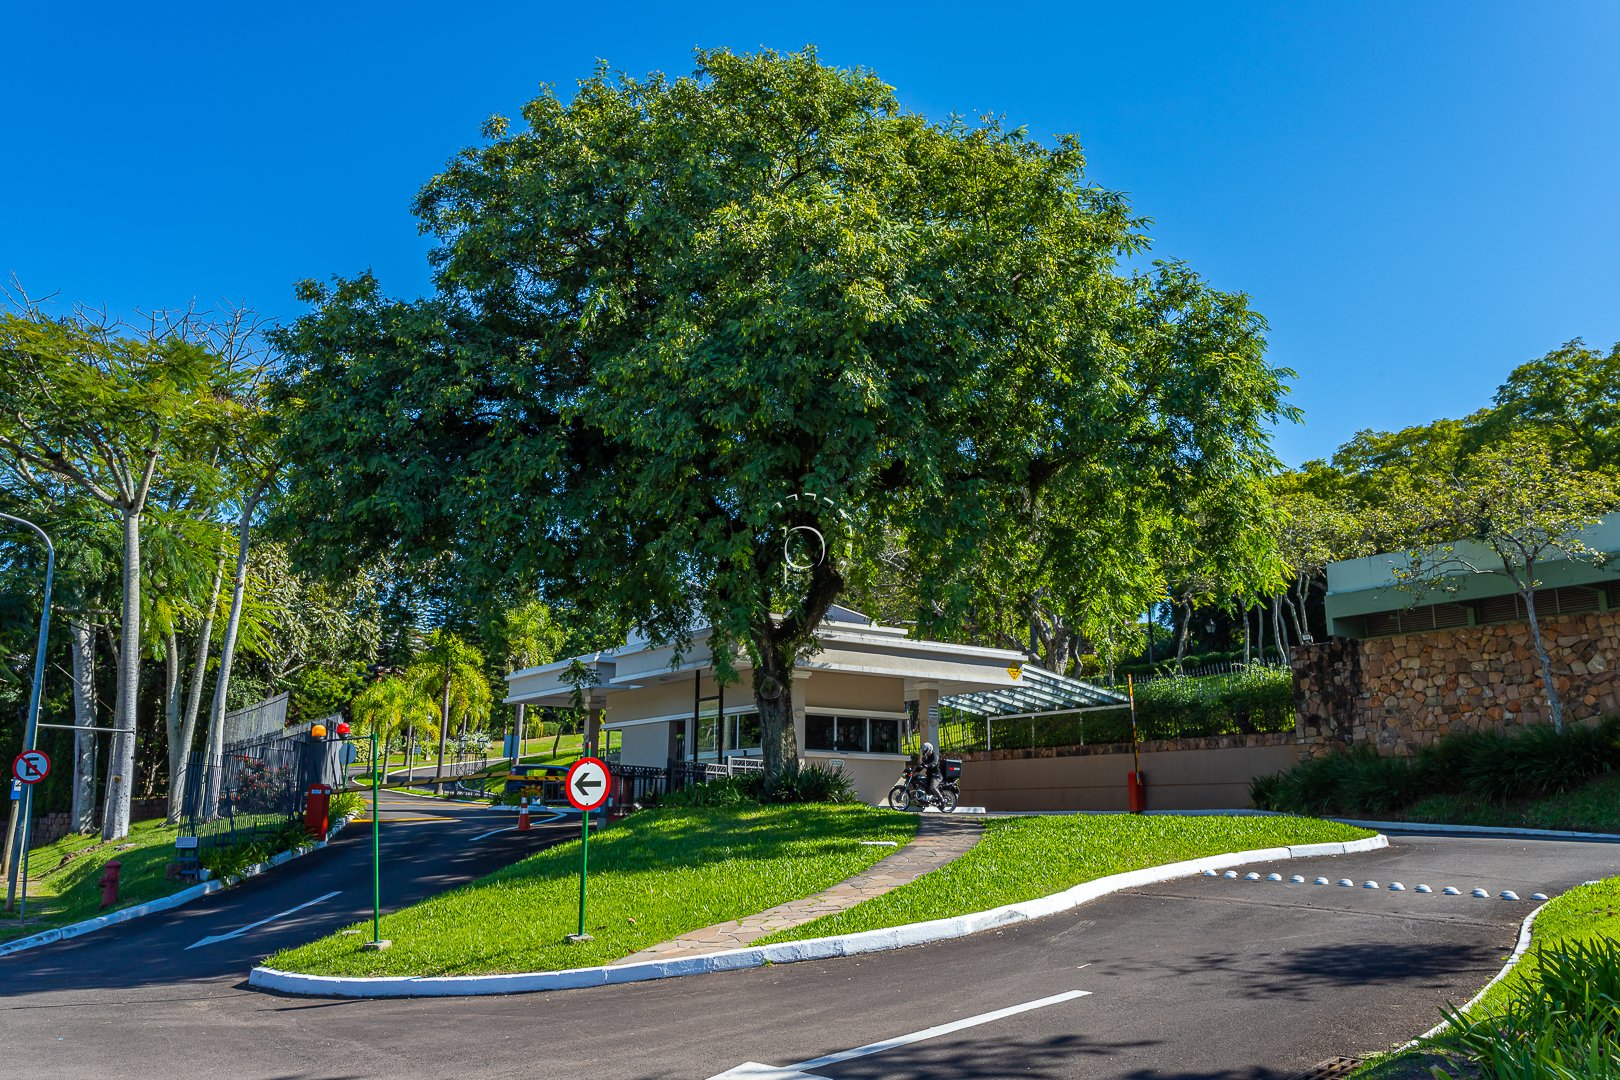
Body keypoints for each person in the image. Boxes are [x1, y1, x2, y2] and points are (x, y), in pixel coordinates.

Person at [919, 741, 944, 807]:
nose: (924, 752)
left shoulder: (934, 755)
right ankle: (925, 802)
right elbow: (922, 765)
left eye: (925, 750)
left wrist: (927, 765)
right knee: (924, 786)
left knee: (933, 787)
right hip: (930, 775)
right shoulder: (926, 757)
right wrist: (915, 770)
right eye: (923, 750)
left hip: (936, 775)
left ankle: (942, 799)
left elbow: (934, 763)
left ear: (929, 749)